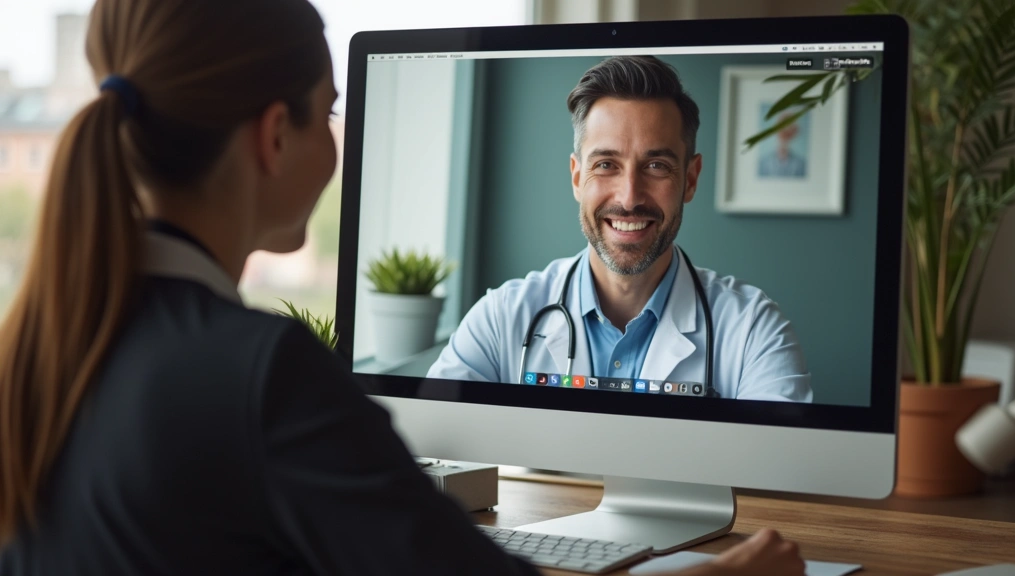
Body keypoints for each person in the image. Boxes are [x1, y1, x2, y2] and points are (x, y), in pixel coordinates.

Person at [0, 3, 804, 574]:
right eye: (331, 115)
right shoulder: (264, 375)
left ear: (689, 178)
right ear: (276, 135)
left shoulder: (44, 344)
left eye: (656, 165)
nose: (337, 146)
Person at [428, 56, 812, 402]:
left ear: (691, 179)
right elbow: (434, 448)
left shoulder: (752, 329)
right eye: (606, 165)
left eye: (656, 165)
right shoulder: (500, 318)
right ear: (578, 178)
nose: (629, 198)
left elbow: (783, 474)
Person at [758, 111, 807, 178]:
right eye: (781, 133)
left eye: (788, 135)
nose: (784, 139)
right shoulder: (764, 163)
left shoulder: (801, 164)